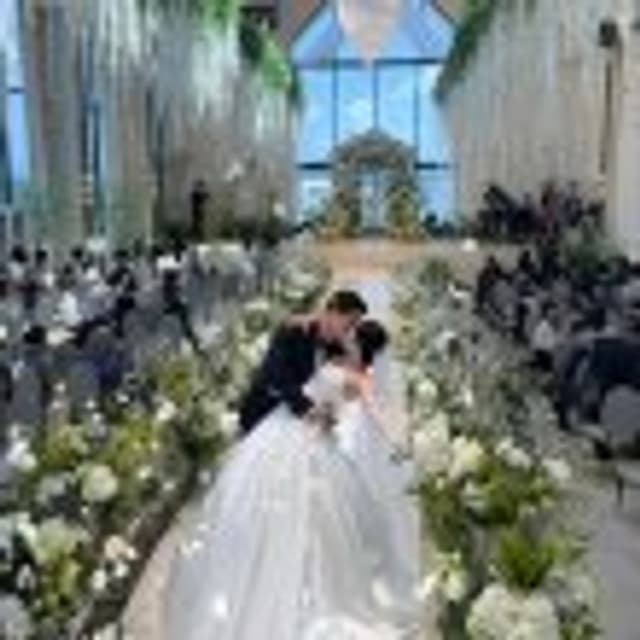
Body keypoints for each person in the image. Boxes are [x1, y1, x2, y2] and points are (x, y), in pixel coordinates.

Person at [166, 319, 420, 640]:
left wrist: (398, 442)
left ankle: (302, 592)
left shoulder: (360, 378)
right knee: (268, 506)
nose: (346, 336)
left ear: (362, 346)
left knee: (312, 518)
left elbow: (377, 410)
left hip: (313, 446)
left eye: (353, 335)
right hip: (283, 431)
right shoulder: (334, 356)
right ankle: (264, 576)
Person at [238, 289, 368, 435]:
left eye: (355, 325)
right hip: (262, 414)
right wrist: (310, 410)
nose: (351, 329)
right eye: (350, 322)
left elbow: (355, 379)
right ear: (334, 313)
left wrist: (351, 348)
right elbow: (277, 377)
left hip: (288, 418)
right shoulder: (294, 330)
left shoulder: (332, 343)